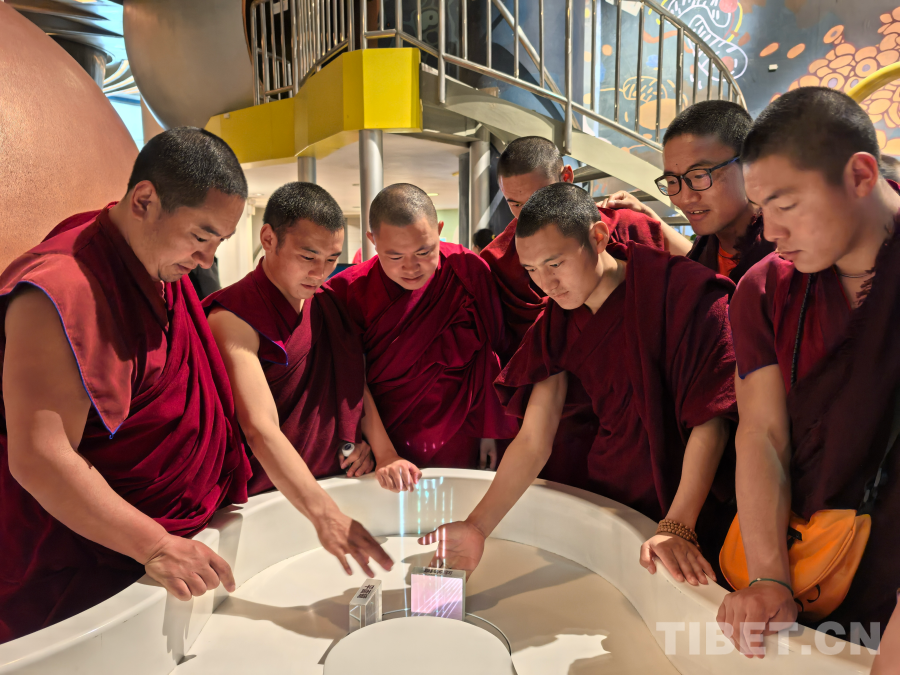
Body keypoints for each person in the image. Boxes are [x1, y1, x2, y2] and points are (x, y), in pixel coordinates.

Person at [0, 128, 253, 642]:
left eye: (219, 243)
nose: (207, 261)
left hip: (167, 537)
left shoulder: (156, 268)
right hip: (88, 560)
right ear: (144, 201)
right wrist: (155, 545)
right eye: (200, 236)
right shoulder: (61, 291)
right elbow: (41, 456)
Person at [421, 182, 737, 588]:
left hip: (688, 506)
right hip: (612, 493)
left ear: (598, 237)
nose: (546, 284)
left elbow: (712, 416)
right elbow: (534, 439)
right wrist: (477, 526)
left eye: (555, 263)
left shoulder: (684, 291)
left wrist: (678, 525)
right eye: (532, 270)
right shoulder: (558, 318)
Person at [718, 87, 900, 655]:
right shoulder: (764, 289)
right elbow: (762, 432)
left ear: (860, 175)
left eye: (786, 205)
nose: (771, 232)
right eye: (761, 210)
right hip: (807, 567)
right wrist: (769, 578)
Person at [204, 182, 393, 577]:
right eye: (308, 256)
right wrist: (326, 515)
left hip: (331, 482)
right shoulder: (234, 318)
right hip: (265, 503)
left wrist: (367, 445)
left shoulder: (327, 305)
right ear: (268, 239)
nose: (319, 273)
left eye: (332, 259)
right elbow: (259, 428)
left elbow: (351, 381)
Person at [481, 136, 692, 488]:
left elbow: (696, 272)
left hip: (653, 413)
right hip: (558, 417)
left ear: (566, 177)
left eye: (537, 197)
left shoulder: (624, 224)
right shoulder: (500, 260)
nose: (528, 214)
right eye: (514, 204)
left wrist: (654, 217)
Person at [323, 184, 518, 492]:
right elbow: (350, 381)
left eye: (424, 252)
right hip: (384, 437)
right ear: (372, 241)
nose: (411, 267)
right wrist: (384, 452)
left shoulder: (467, 271)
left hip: (463, 432)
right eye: (394, 255)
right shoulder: (348, 292)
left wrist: (489, 431)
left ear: (439, 230)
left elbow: (492, 351)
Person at [656, 100, 775, 283]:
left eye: (699, 176)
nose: (685, 198)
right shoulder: (702, 253)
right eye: (672, 181)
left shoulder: (790, 251)